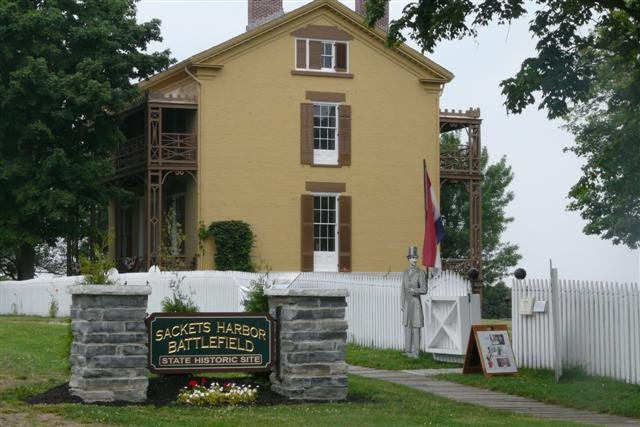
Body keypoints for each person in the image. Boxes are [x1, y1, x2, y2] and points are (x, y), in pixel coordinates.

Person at [401, 246, 428, 358]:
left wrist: (414, 290)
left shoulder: (420, 272)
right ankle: (407, 351)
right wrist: (402, 304)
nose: (414, 260)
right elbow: (402, 290)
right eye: (412, 257)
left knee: (416, 328)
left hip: (416, 303)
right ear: (409, 259)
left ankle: (416, 352)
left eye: (415, 257)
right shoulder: (405, 273)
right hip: (407, 303)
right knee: (407, 327)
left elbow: (424, 289)